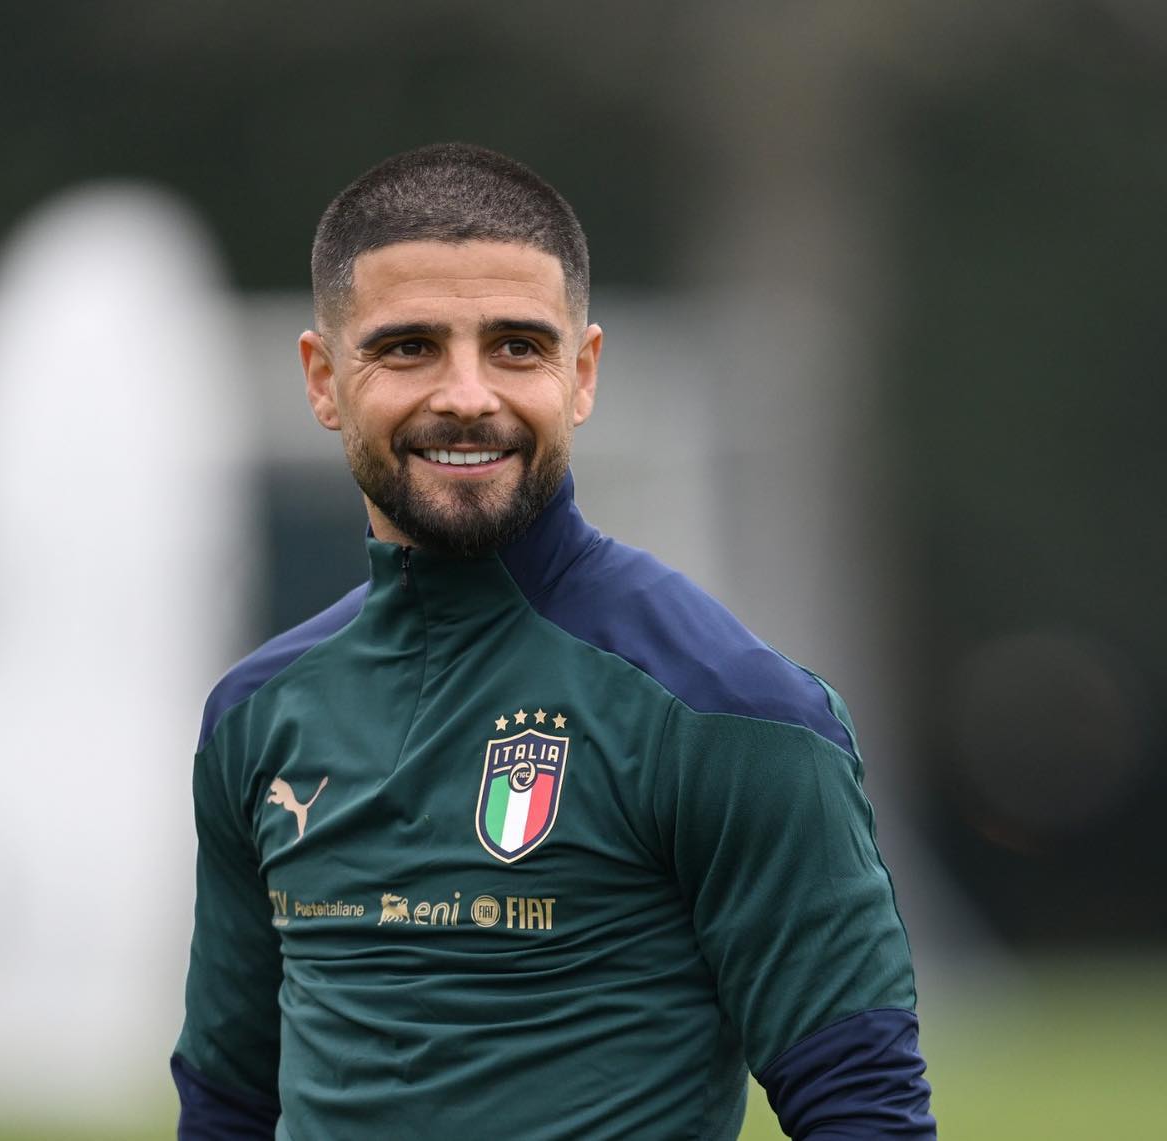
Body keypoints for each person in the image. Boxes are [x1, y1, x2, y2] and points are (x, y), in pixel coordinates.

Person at [172, 143, 934, 1140]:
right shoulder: (256, 715)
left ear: (582, 374)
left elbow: (864, 1109)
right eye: (409, 347)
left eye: (517, 347)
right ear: (323, 379)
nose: (467, 394)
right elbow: (226, 1107)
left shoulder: (731, 713)